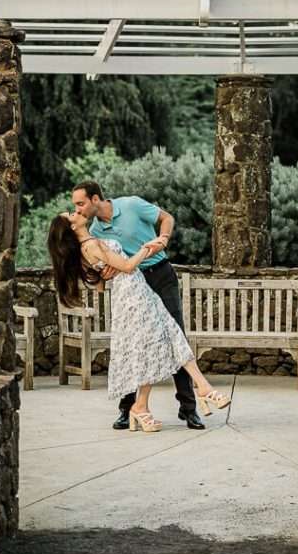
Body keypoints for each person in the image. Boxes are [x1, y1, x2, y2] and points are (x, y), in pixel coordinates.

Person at [47, 209, 230, 432]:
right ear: (73, 227)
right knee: (156, 343)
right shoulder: (91, 246)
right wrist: (147, 248)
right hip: (133, 298)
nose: (77, 212)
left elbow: (100, 285)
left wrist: (105, 270)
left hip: (138, 291)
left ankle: (174, 396)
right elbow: (127, 267)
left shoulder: (87, 246)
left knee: (170, 336)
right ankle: (194, 391)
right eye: (71, 214)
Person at [71, 182, 209, 431]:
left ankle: (189, 408)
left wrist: (163, 238)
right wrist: (105, 273)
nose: (78, 209)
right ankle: (127, 409)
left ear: (95, 199)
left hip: (161, 275)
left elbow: (167, 218)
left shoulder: (131, 205)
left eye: (80, 203)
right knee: (133, 343)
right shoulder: (94, 232)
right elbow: (106, 266)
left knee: (175, 334)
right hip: (134, 284)